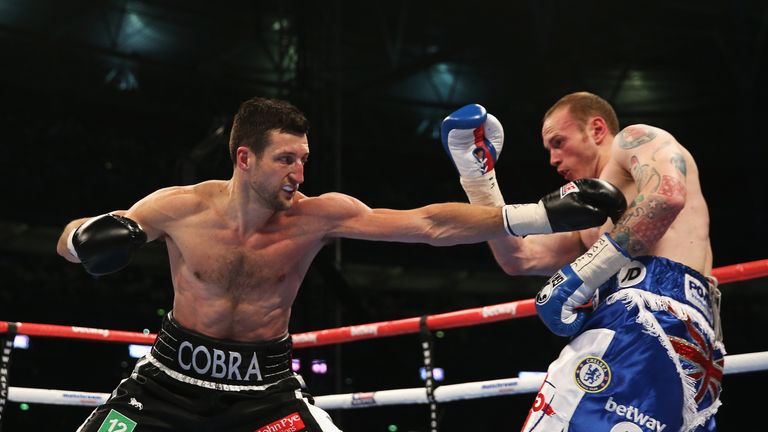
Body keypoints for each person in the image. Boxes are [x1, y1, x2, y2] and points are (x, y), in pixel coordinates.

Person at [56, 96, 626, 432]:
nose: (298, 175)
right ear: (244, 158)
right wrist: (86, 238)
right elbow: (67, 239)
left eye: (303, 160)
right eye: (285, 160)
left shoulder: (316, 215)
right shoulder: (180, 206)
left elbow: (429, 224)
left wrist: (539, 214)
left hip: (265, 392)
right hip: (167, 385)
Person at [441, 92, 724, 432]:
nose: (553, 159)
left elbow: (667, 195)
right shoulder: (593, 223)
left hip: (650, 320)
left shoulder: (635, 140)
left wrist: (583, 272)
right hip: (692, 351)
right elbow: (519, 257)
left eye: (558, 142)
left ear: (597, 129)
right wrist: (478, 179)